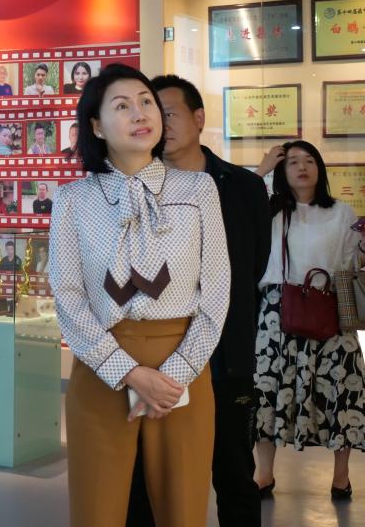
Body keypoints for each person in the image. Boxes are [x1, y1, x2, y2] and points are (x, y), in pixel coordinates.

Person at [48, 62, 229, 527]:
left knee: (183, 509)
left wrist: (175, 373)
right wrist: (127, 371)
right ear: (96, 126)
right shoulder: (72, 199)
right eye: (122, 106)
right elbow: (68, 294)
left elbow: (216, 290)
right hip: (101, 366)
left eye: (146, 102)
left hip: (182, 368)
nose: (140, 113)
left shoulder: (199, 189)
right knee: (97, 510)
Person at [123, 74, 271, 527]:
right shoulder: (134, 186)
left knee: (234, 474)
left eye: (169, 112)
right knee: (147, 479)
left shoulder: (243, 188)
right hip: (156, 358)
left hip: (225, 358)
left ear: (199, 118)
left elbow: (252, 267)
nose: (159, 123)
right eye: (152, 112)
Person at [251, 140, 364, 501]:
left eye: (309, 160)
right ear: (281, 172)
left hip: (330, 305)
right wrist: (261, 170)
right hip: (277, 310)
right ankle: (264, 473)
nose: (302, 167)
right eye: (293, 162)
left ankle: (341, 476)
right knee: (267, 389)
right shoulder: (268, 210)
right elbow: (232, 212)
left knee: (342, 388)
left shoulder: (342, 212)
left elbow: (352, 262)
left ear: (320, 168)